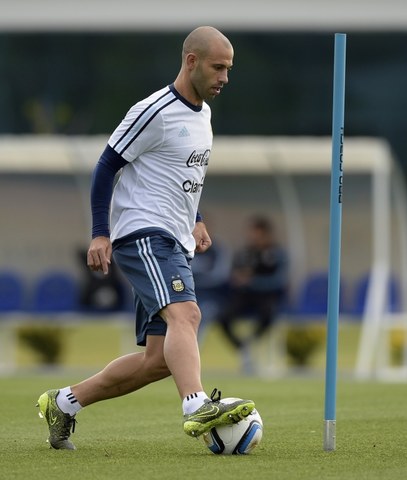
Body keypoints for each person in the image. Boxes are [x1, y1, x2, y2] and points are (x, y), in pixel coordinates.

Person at [36, 26, 255, 450]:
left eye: (229, 69)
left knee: (158, 361)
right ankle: (196, 406)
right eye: (218, 67)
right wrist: (100, 233)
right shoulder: (152, 110)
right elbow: (105, 166)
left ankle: (63, 403)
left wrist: (198, 218)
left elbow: (183, 175)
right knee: (187, 316)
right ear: (191, 61)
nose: (225, 77)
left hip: (175, 237)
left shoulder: (204, 115)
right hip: (142, 233)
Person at [216, 215, 288, 372]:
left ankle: (251, 342)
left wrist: (253, 281)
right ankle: (242, 347)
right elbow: (233, 274)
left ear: (266, 234)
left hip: (267, 296)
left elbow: (279, 280)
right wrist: (238, 279)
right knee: (222, 317)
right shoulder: (244, 253)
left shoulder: (276, 253)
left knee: (268, 314)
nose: (252, 237)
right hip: (244, 296)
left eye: (257, 233)